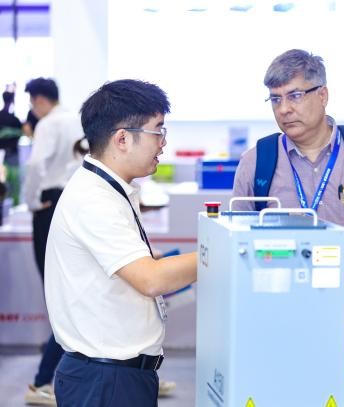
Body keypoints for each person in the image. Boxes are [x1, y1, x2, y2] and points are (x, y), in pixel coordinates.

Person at [42, 79, 197, 406]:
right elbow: (150, 279)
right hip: (105, 381)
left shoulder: (107, 189)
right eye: (158, 130)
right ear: (123, 138)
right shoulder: (94, 199)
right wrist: (223, 252)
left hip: (113, 376)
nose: (163, 143)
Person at [232, 49, 344, 227]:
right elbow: (237, 234)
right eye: (275, 99)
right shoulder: (254, 162)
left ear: (322, 96)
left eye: (295, 96)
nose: (283, 109)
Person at [21, 78, 83, 406]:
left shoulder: (48, 124)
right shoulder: (77, 119)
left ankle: (42, 381)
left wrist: (30, 201)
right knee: (74, 292)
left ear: (39, 100)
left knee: (59, 294)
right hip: (74, 201)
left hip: (48, 204)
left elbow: (35, 165)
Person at [0, 88, 23, 205]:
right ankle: (13, 205)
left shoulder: (12, 119)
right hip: (10, 155)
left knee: (9, 182)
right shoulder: (15, 120)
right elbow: (22, 132)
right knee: (13, 183)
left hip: (8, 154)